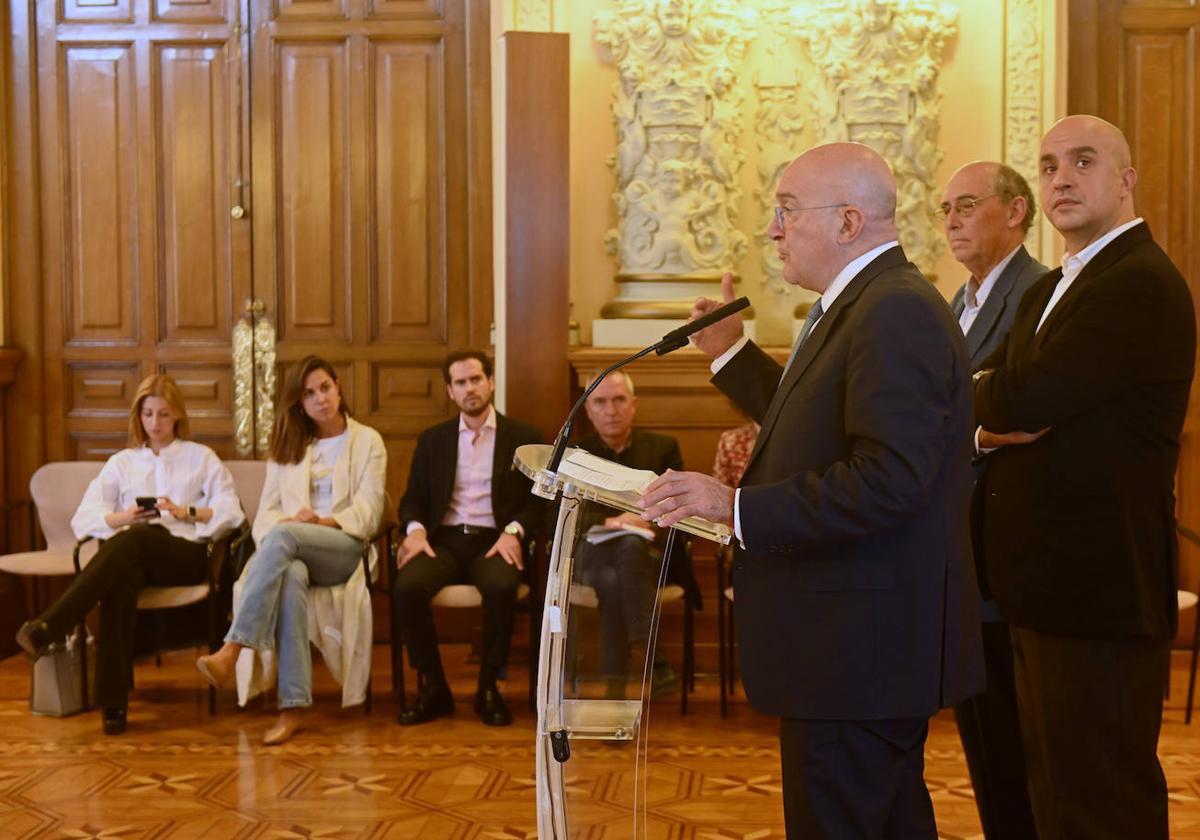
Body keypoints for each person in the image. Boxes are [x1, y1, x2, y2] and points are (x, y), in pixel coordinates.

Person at [638, 141, 983, 839]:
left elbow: (890, 479)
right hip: (852, 651)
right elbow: (813, 427)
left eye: (787, 211)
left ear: (849, 222)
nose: (773, 229)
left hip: (860, 652)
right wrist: (733, 351)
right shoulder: (859, 304)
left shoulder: (894, 311)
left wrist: (732, 506)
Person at [974, 115, 1196, 840]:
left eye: (1083, 162)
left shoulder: (1136, 283)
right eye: (1048, 166)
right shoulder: (1049, 291)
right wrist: (989, 408)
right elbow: (998, 396)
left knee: (1102, 804)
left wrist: (990, 401)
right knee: (1052, 798)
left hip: (1098, 590)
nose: (1061, 179)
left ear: (1126, 180)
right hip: (1039, 587)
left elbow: (1018, 397)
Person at [15, 375, 243, 735]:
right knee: (121, 578)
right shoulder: (122, 463)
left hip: (188, 554)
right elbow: (84, 517)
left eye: (164, 414)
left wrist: (187, 512)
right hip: (136, 552)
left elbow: (232, 512)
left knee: (133, 543)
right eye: (148, 414)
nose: (155, 423)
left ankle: (51, 625)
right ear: (138, 417)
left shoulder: (201, 458)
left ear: (178, 416)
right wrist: (123, 517)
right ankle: (114, 706)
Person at [196, 356, 386, 745]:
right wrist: (289, 527)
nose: (320, 399)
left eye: (325, 388)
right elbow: (266, 512)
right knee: (291, 572)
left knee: (287, 538)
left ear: (338, 387)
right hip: (295, 551)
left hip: (344, 547)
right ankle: (293, 707)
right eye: (309, 394)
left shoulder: (367, 441)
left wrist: (317, 523)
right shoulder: (289, 446)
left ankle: (232, 647)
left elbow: (369, 513)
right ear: (299, 404)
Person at [940, 160, 1046, 840]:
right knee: (983, 738)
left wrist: (969, 427)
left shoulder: (1037, 293)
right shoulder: (961, 300)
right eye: (944, 207)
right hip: (960, 547)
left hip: (1007, 550)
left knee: (1017, 743)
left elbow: (1018, 415)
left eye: (966, 204)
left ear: (1014, 212)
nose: (950, 219)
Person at [393, 349, 544, 727]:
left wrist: (514, 532)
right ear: (450, 391)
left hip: (494, 539)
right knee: (406, 588)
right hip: (442, 540)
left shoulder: (524, 437)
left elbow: (539, 502)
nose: (470, 388)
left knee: (501, 587)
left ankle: (488, 685)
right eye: (460, 382)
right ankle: (434, 687)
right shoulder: (433, 441)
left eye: (476, 379)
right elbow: (413, 499)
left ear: (490, 382)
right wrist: (414, 531)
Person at [574, 370, 695, 698]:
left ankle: (615, 686)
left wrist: (639, 522)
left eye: (618, 400)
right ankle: (651, 656)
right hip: (591, 556)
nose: (610, 410)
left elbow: (681, 509)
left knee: (622, 563)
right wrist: (616, 521)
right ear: (588, 409)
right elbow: (563, 514)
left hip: (652, 558)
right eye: (600, 402)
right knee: (619, 561)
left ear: (633, 405)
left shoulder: (662, 449)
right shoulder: (576, 454)